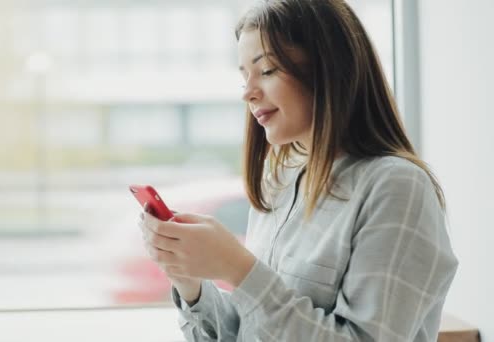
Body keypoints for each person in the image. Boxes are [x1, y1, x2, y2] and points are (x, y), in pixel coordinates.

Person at [138, 0, 458, 340]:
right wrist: (189, 282)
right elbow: (253, 330)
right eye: (244, 75)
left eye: (267, 70)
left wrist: (238, 268)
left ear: (329, 68)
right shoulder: (279, 180)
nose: (248, 92)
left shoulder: (396, 187)